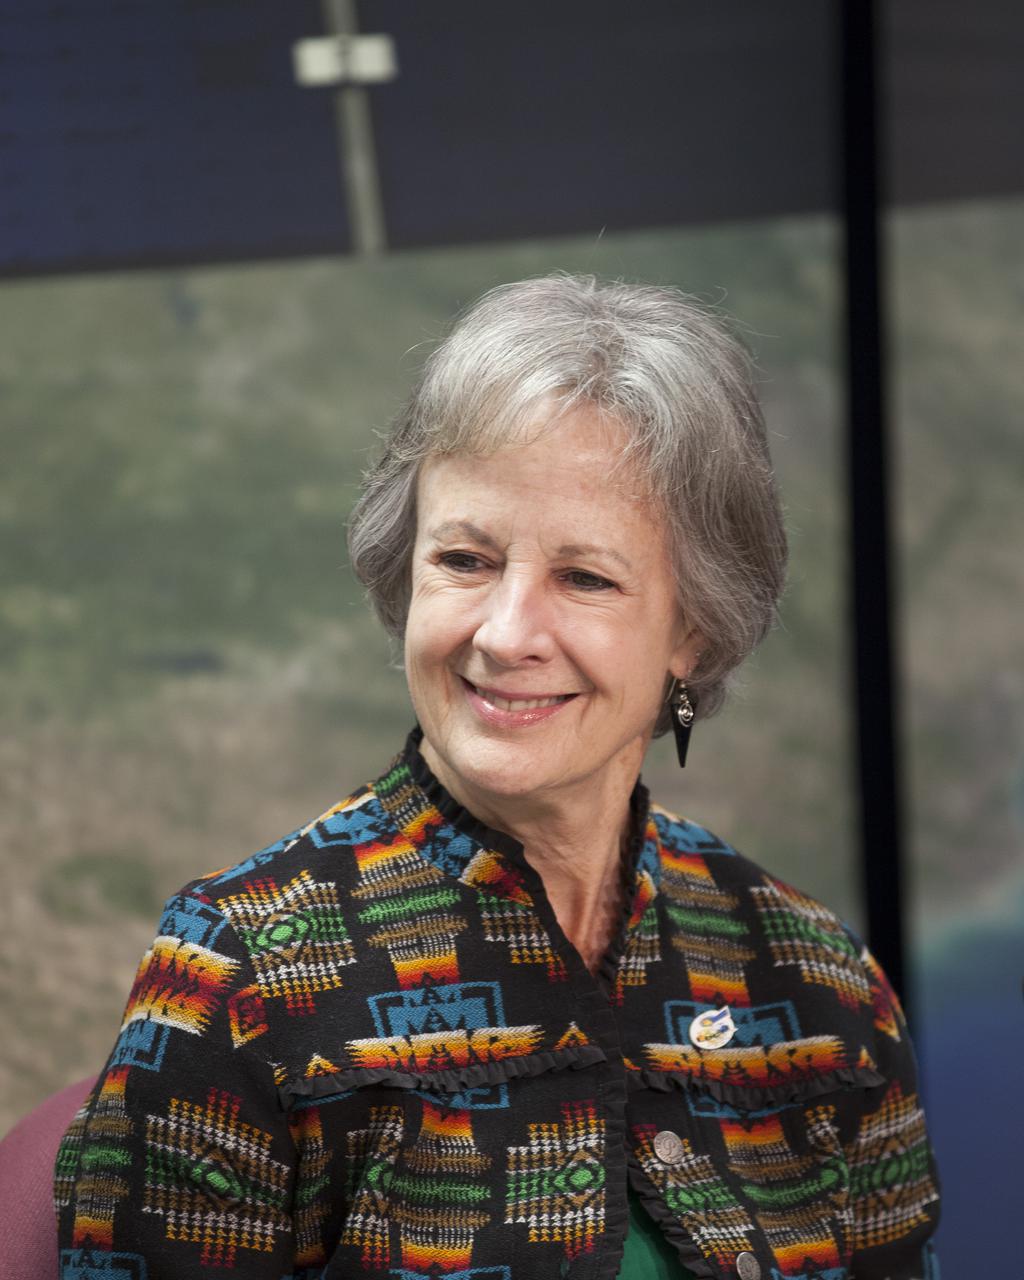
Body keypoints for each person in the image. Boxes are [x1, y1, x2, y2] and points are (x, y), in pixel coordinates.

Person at [54, 274, 940, 1279]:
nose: (507, 632)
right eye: (467, 559)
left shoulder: (816, 980)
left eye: (585, 576)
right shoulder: (236, 971)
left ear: (691, 632)